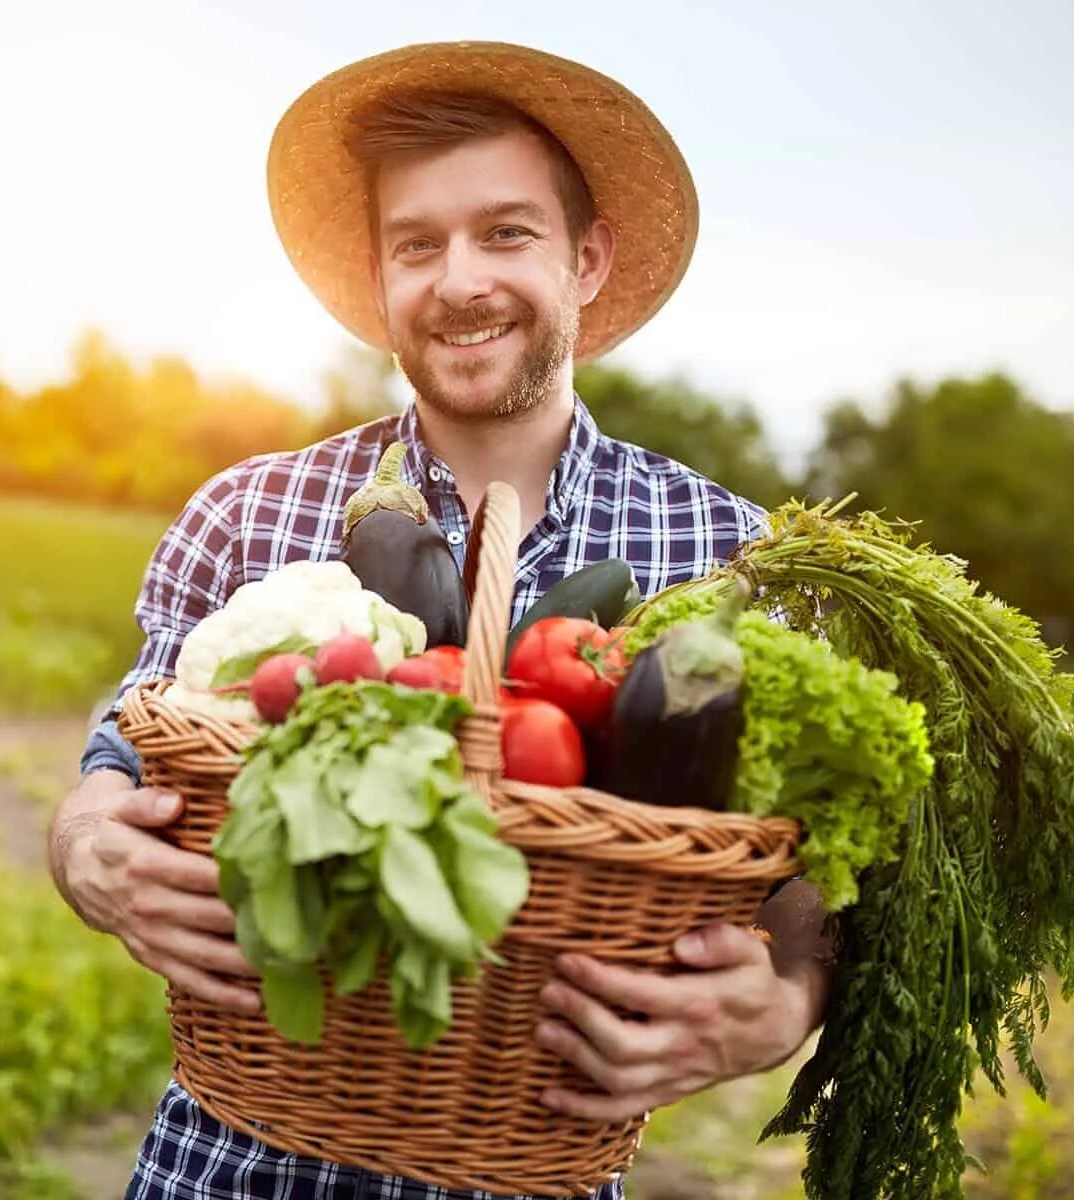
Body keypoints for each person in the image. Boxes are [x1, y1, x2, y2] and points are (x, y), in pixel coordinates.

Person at [47, 40, 835, 1200]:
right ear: (382, 280)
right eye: (418, 244)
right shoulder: (244, 513)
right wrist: (86, 848)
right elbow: (116, 764)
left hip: (539, 1173)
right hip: (229, 1166)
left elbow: (819, 868)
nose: (458, 280)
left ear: (588, 258)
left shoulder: (733, 558)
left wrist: (788, 1000)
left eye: (506, 232)